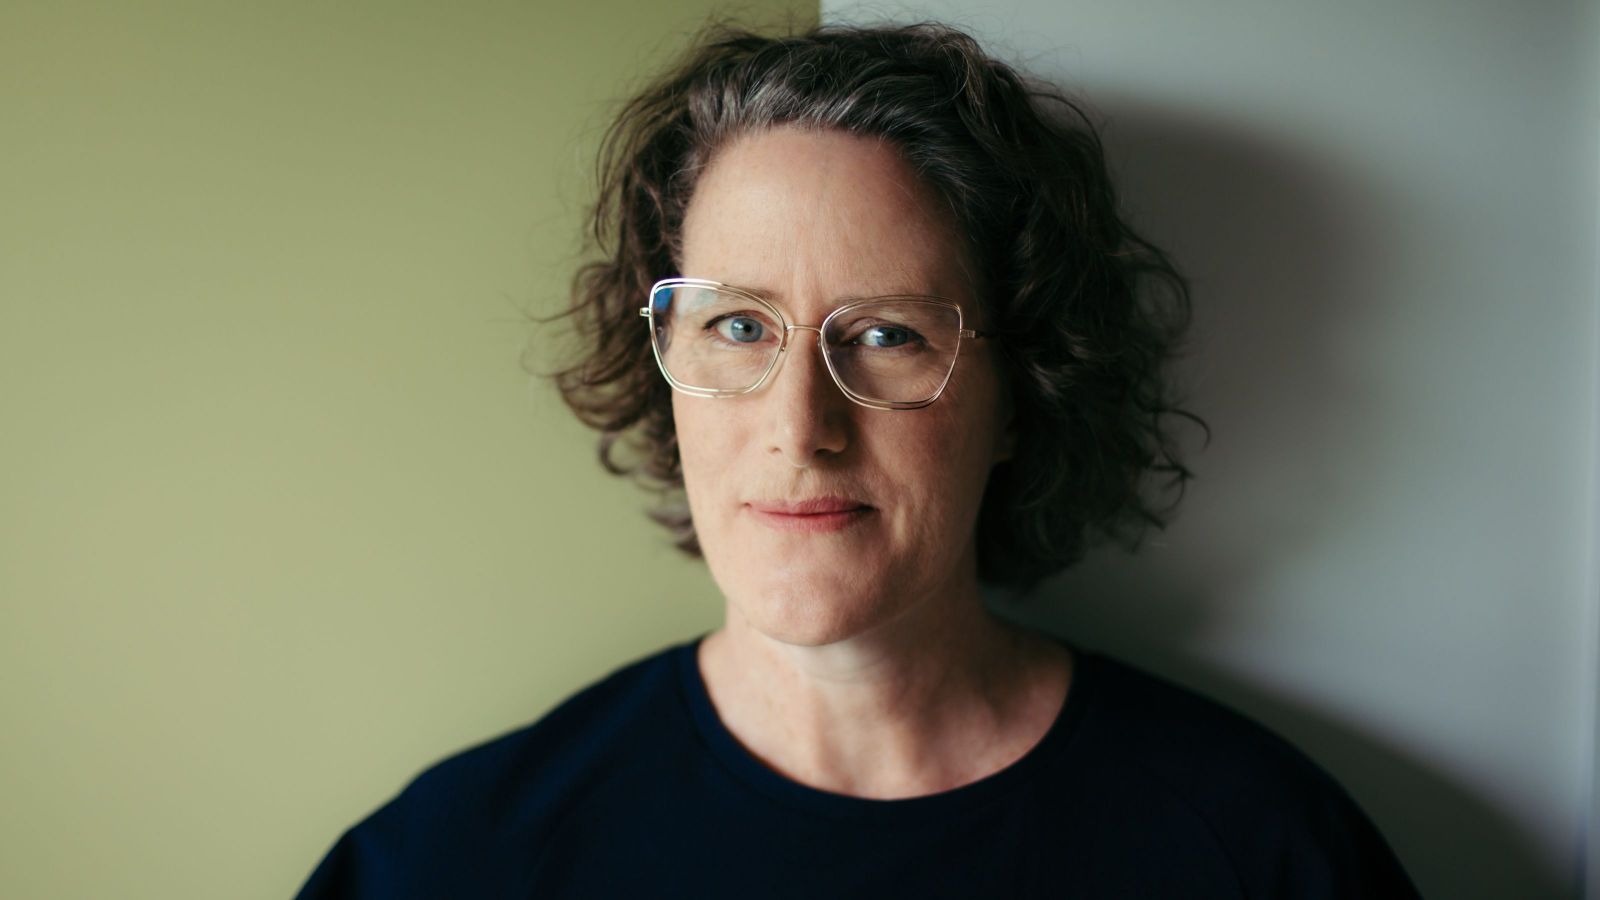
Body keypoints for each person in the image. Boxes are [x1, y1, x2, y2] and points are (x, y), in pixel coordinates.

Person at [295, 22, 1420, 898]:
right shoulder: (458, 861)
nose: (799, 425)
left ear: (1020, 393)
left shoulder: (1256, 848)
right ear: (664, 363)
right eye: (736, 326)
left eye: (886, 334)